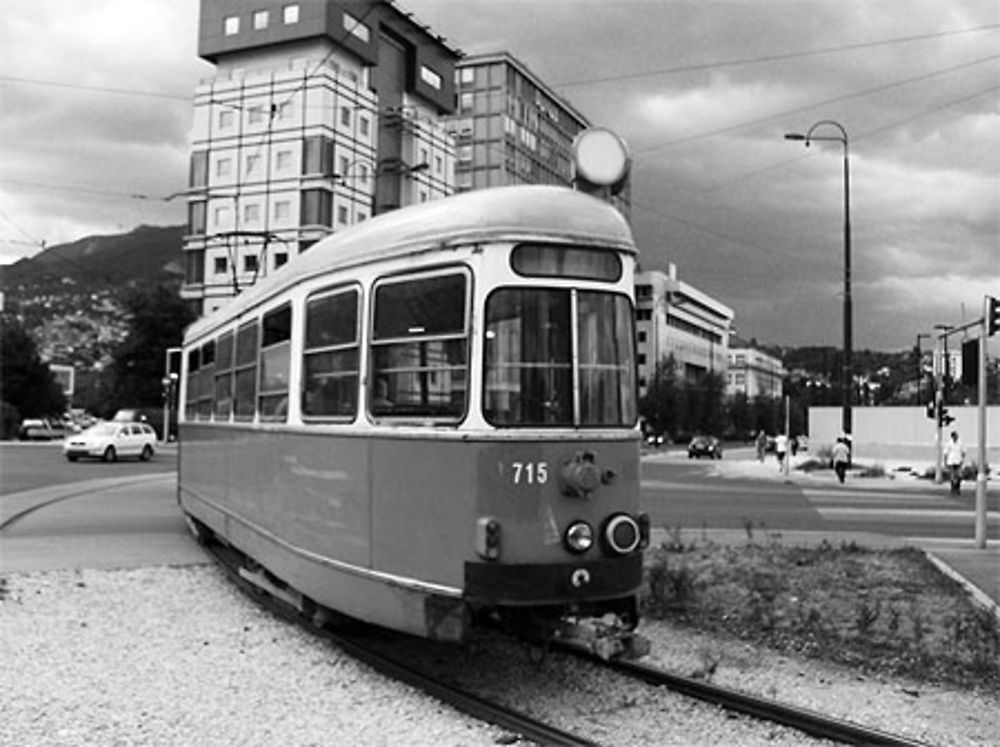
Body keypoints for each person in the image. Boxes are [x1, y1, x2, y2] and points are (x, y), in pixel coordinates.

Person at [943, 430, 965, 495]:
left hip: (958, 461)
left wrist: (962, 460)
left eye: (956, 436)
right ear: (952, 437)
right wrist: (945, 462)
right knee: (952, 476)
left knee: (959, 476)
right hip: (951, 461)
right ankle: (953, 488)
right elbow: (946, 453)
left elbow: (963, 452)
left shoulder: (960, 443)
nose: (956, 437)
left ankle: (958, 488)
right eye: (955, 436)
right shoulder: (949, 443)